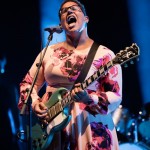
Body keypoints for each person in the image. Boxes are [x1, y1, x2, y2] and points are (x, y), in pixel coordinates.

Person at [18, 0, 122, 149]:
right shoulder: (48, 52)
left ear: (86, 19)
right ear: (61, 23)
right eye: (63, 11)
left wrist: (89, 98)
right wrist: (35, 103)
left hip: (88, 125)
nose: (68, 12)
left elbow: (115, 95)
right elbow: (27, 84)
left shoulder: (105, 54)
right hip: (51, 125)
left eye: (74, 9)